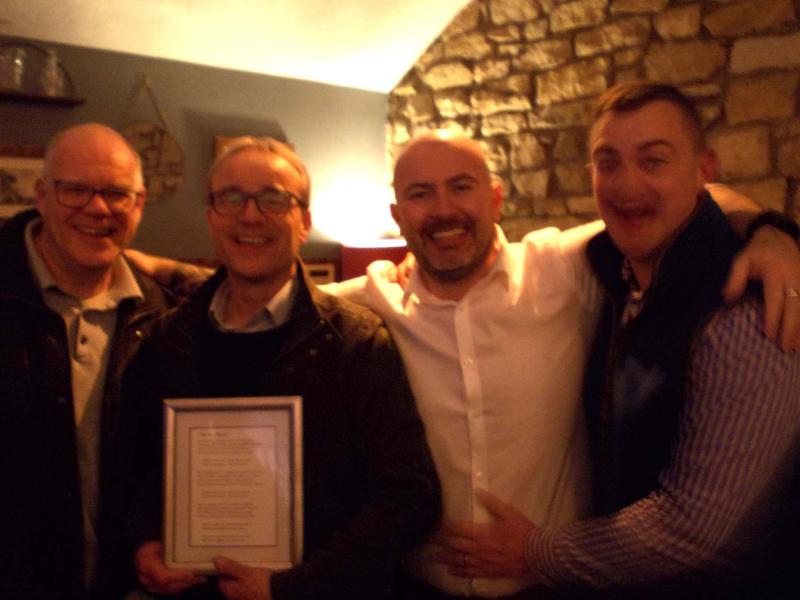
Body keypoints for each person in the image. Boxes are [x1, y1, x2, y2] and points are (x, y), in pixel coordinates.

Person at [128, 131, 800, 600]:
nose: (443, 209)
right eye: (421, 194)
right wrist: (139, 262)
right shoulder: (366, 305)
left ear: (496, 198)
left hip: (554, 587)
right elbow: (261, 280)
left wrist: (772, 231)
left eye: (461, 187)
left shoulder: (563, 266)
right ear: (398, 214)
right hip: (418, 588)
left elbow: (685, 204)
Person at [435, 82, 800, 597]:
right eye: (609, 163)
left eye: (654, 161)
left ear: (704, 168)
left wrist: (536, 551)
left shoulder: (745, 307)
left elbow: (696, 531)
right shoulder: (607, 271)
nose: (627, 182)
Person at [122, 137, 441, 600]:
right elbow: (136, 471)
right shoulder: (167, 340)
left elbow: (409, 495)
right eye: (231, 198)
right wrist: (144, 543)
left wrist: (293, 587)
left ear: (304, 222)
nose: (250, 216)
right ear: (211, 217)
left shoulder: (355, 342)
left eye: (273, 199)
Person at [0, 123, 172, 600]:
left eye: (116, 193)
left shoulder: (161, 316)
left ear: (138, 204)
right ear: (42, 196)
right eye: (75, 190)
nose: (97, 208)